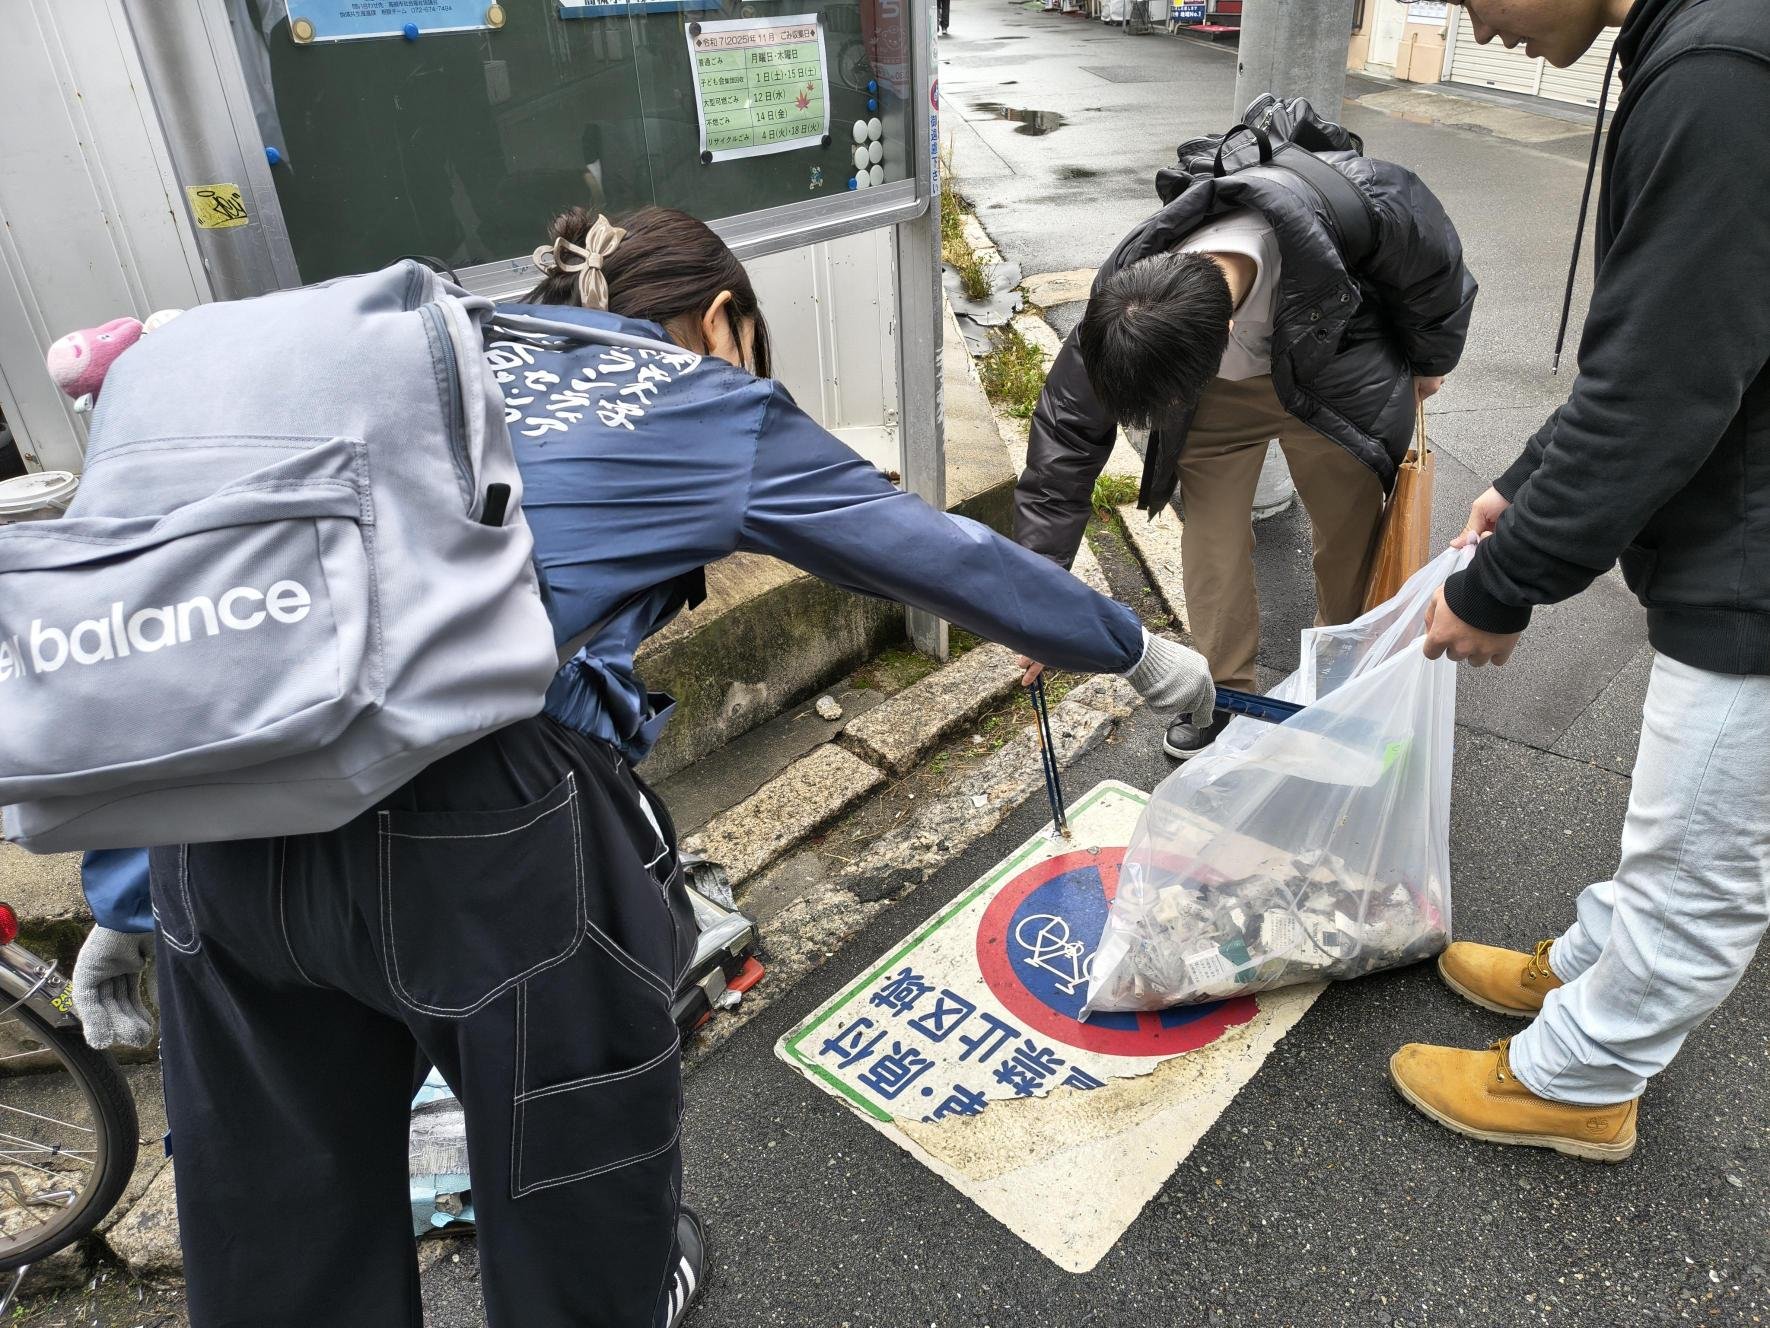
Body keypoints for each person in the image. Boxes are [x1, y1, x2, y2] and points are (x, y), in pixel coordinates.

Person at [71, 206, 1214, 1328]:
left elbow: (192, 637)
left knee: (285, 1246)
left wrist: (122, 899)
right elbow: (941, 554)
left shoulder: (431, 355)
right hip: (478, 841)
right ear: (724, 320)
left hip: (208, 839)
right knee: (578, 1203)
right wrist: (1144, 652)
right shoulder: (694, 400)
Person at [1391, 0, 1770, 1163]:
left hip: (1756, 555)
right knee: (1680, 818)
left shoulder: (1719, 66)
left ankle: (1579, 1083)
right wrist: (1528, 478)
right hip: (1742, 506)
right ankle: (1601, 954)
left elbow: (1661, 381)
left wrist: (1506, 581)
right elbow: (1662, 332)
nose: (1467, 17)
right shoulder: (1709, 39)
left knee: (1703, 853)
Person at [1012, 97, 1476, 758]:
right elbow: (1064, 438)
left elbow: (1439, 272)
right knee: (1210, 534)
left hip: (1330, 375)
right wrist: (1036, 602)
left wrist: (1430, 364)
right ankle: (1221, 693)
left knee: (1350, 532)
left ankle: (1341, 679)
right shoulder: (1129, 308)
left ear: (1227, 334)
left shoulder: (1358, 201)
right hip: (1213, 404)